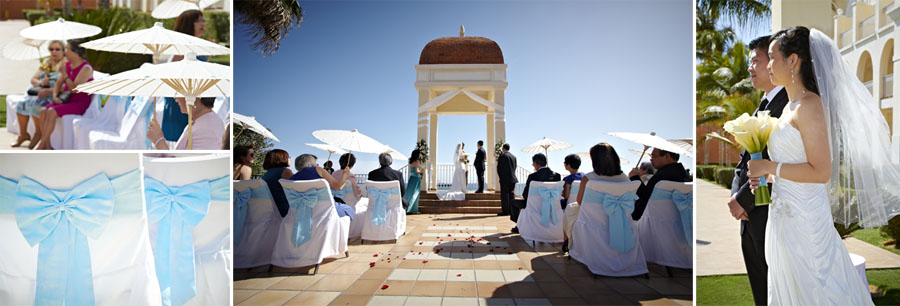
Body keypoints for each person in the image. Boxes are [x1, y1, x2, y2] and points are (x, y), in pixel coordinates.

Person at [747, 26, 887, 305]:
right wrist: (767, 178)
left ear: (793, 61)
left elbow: (820, 171)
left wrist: (769, 167)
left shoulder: (809, 105)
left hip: (806, 221)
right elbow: (796, 165)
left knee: (817, 290)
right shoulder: (789, 107)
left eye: (773, 57)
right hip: (783, 217)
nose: (769, 64)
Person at [729, 34, 789, 306]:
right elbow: (743, 164)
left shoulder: (788, 105)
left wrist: (743, 200)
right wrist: (735, 198)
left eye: (756, 61)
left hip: (770, 212)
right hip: (748, 215)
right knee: (760, 287)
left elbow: (775, 160)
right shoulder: (760, 108)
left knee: (775, 286)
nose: (750, 68)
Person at [568, 143, 632, 252]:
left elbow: (580, 201)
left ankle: (568, 243)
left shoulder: (589, 178)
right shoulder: (625, 179)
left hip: (593, 222)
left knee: (569, 211)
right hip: (621, 221)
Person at [35, 39, 93, 150]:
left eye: (66, 48)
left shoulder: (86, 68)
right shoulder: (67, 65)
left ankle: (41, 144)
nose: (65, 51)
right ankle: (47, 145)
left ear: (75, 52)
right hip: (66, 100)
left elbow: (75, 89)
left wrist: (65, 74)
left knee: (51, 111)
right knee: (43, 111)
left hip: (79, 103)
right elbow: (58, 84)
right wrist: (55, 97)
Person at [161, 9, 207, 142]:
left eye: (203, 20)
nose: (203, 24)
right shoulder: (181, 49)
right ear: (189, 24)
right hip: (180, 106)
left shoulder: (196, 48)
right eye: (199, 21)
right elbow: (169, 77)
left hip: (192, 103)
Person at [13, 40, 65, 149]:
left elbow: (64, 86)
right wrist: (41, 82)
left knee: (37, 105)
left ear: (63, 51)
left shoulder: (65, 64)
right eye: (51, 49)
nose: (54, 52)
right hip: (41, 93)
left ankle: (38, 133)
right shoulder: (46, 62)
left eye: (57, 49)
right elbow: (33, 79)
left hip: (54, 95)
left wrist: (49, 89)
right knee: (21, 104)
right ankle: (23, 134)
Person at [628, 148, 689, 221]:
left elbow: (645, 198)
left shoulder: (662, 176)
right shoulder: (682, 174)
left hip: (650, 220)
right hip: (676, 220)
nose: (651, 159)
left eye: (653, 156)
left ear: (667, 156)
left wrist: (634, 177)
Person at [289, 154, 355, 219]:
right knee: (348, 209)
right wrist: (345, 174)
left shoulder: (292, 178)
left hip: (299, 211)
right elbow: (338, 186)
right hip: (323, 211)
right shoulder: (318, 170)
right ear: (312, 164)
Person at [147, 97, 225, 150]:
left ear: (195, 96)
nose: (176, 99)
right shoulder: (204, 120)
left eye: (179, 93)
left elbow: (182, 167)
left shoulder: (205, 130)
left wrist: (158, 140)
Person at [511, 153, 560, 234]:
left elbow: (525, 194)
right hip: (551, 204)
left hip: (534, 205)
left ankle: (519, 225)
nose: (533, 165)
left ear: (536, 164)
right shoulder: (557, 176)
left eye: (533, 164)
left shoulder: (532, 177)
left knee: (513, 202)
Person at [261, 149, 293, 217]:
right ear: (282, 158)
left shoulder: (268, 173)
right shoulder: (285, 172)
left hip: (270, 210)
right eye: (288, 157)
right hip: (284, 210)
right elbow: (295, 191)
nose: (289, 158)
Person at [497, 143, 518, 217]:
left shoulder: (502, 156)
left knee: (504, 195)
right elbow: (515, 167)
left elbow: (499, 168)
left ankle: (505, 211)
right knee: (511, 195)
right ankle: (511, 210)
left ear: (503, 148)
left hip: (505, 179)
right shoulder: (514, 157)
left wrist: (501, 177)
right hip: (513, 178)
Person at [404, 149, 424, 213]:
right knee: (415, 194)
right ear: (417, 154)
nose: (420, 155)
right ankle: (411, 209)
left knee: (410, 193)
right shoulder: (417, 161)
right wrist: (421, 172)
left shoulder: (411, 161)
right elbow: (416, 171)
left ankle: (409, 208)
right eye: (420, 153)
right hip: (416, 179)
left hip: (411, 178)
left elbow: (412, 171)